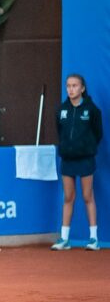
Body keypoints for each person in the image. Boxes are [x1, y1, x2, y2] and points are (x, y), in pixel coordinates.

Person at [51, 74, 103, 251]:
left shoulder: (92, 110)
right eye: (68, 86)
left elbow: (98, 133)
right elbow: (60, 131)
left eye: (74, 86)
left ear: (82, 88)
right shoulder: (61, 110)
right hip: (68, 159)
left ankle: (94, 239)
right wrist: (69, 148)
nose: (71, 89)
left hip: (86, 158)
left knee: (88, 196)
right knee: (68, 197)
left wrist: (86, 147)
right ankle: (64, 239)